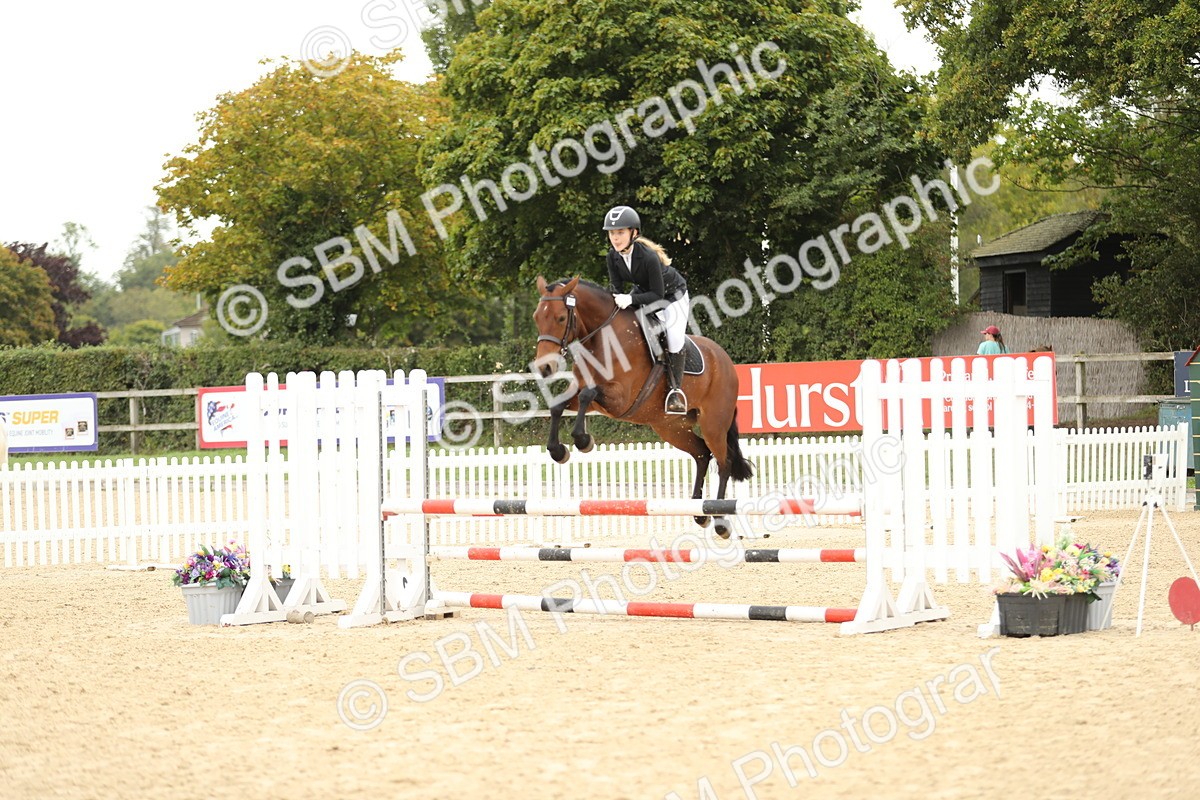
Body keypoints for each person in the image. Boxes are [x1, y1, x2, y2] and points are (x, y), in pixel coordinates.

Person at [603, 205, 691, 414]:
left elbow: (657, 296)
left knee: (674, 340)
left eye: (620, 232)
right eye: (612, 233)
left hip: (672, 297)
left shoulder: (649, 257)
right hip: (643, 292)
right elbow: (616, 289)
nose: (615, 238)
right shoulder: (612, 257)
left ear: (634, 233)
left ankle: (675, 392)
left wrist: (630, 298)